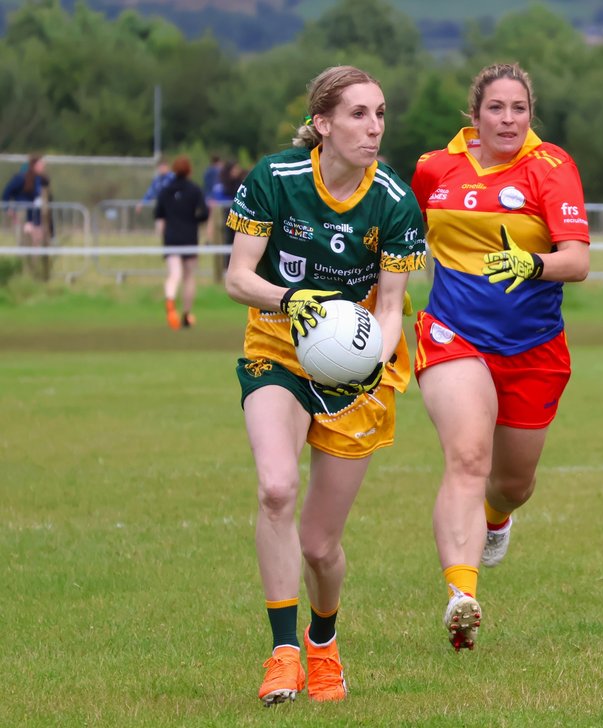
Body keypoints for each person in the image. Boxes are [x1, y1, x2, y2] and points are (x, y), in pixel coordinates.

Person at [224, 65, 425, 705]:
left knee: (319, 545)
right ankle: (283, 653)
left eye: (381, 114)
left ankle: (323, 639)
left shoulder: (393, 200)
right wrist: (292, 298)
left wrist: (370, 358)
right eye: (359, 114)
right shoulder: (276, 178)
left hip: (356, 372)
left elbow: (392, 306)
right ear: (322, 124)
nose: (374, 127)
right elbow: (237, 279)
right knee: (276, 488)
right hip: (278, 349)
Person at [409, 62, 590, 651]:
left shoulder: (552, 168)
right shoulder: (435, 169)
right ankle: (462, 595)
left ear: (529, 114)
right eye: (496, 108)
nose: (508, 118)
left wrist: (532, 263)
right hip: (452, 334)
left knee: (512, 482)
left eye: (518, 108)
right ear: (475, 113)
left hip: (533, 348)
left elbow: (577, 261)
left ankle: (497, 517)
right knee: (466, 456)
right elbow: (397, 235)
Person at [154, 155, 209, 329]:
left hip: (171, 238)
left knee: (174, 274)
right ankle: (186, 314)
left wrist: (161, 236)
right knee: (188, 277)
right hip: (189, 238)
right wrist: (195, 219)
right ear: (189, 171)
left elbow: (159, 216)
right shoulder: (194, 190)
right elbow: (204, 213)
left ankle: (170, 303)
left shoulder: (166, 190)